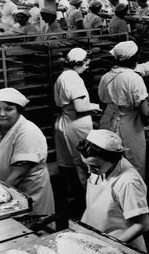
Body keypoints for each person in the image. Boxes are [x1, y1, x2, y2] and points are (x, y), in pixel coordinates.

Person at [78, 130, 149, 251]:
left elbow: (142, 225)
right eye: (87, 165)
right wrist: (80, 232)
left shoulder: (128, 181)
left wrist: (110, 246)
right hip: (98, 240)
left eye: (95, 166)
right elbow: (91, 207)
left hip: (122, 245)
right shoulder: (100, 168)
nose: (90, 171)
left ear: (112, 159)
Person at [0, 88, 54, 216]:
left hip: (28, 196)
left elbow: (16, 176)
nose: (1, 114)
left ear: (19, 111)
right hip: (4, 191)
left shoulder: (27, 132)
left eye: (8, 109)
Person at [54, 48, 101, 215]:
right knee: (83, 164)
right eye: (86, 64)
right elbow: (80, 107)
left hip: (65, 124)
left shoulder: (63, 76)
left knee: (68, 163)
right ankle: (88, 204)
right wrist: (97, 107)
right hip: (75, 125)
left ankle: (72, 200)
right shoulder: (73, 79)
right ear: (78, 63)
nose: (87, 68)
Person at [98, 41, 149, 179]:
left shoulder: (106, 77)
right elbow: (145, 112)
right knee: (132, 165)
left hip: (108, 122)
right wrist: (147, 122)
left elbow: (103, 104)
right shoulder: (134, 78)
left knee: (110, 164)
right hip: (129, 125)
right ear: (135, 58)